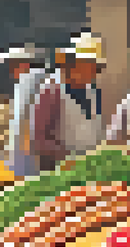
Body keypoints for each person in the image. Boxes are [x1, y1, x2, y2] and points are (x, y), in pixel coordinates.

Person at [33, 31, 106, 171]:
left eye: (95, 67)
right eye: (90, 66)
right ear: (74, 64)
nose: (94, 72)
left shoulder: (92, 91)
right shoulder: (52, 90)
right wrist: (69, 159)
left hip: (90, 169)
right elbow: (39, 138)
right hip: (60, 171)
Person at [4, 45, 55, 177]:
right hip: (28, 148)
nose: (11, 70)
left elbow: (23, 117)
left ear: (24, 63)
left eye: (13, 65)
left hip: (30, 150)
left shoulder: (32, 80)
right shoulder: (29, 81)